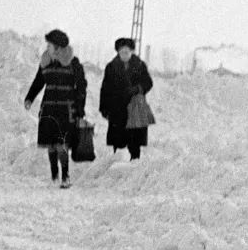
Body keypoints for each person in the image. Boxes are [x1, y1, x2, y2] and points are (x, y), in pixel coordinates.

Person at [24, 29, 87, 184]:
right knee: (50, 144)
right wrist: (30, 98)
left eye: (49, 45)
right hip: (49, 107)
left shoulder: (73, 63)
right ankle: (54, 176)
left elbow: (81, 87)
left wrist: (79, 110)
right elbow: (39, 81)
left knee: (61, 144)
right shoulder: (45, 62)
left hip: (65, 109)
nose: (47, 47)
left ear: (58, 47)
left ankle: (65, 175)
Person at [98, 36, 154, 160]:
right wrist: (104, 108)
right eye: (122, 52)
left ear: (132, 51)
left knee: (134, 142)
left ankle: (134, 164)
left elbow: (148, 82)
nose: (124, 54)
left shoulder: (140, 65)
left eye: (127, 52)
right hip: (117, 108)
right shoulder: (111, 67)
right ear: (118, 52)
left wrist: (137, 89)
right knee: (118, 142)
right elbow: (105, 89)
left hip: (134, 108)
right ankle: (117, 165)